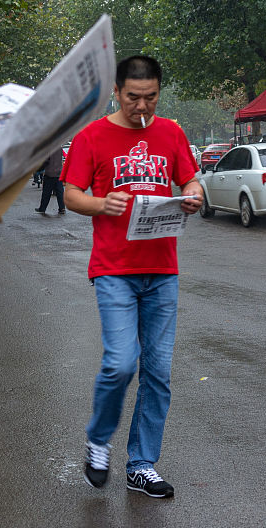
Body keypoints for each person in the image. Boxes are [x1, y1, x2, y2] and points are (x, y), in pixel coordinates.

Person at [61, 55, 202, 499]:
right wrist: (103, 204)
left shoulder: (172, 132)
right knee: (121, 362)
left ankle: (141, 464)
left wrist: (194, 196)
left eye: (151, 97)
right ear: (117, 92)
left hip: (162, 270)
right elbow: (71, 195)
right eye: (133, 97)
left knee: (158, 372)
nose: (142, 107)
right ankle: (98, 441)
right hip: (114, 270)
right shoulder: (92, 136)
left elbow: (191, 181)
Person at [34, 146, 66, 215]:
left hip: (50, 173)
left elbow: (46, 161)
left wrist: (38, 169)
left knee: (46, 192)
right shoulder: (60, 148)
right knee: (60, 192)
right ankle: (62, 208)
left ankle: (42, 208)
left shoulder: (50, 148)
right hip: (59, 173)